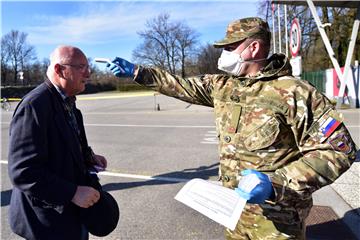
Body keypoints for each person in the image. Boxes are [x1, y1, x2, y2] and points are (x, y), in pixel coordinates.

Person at [107, 17, 358, 239]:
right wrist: (139, 72)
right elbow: (180, 85)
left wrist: (276, 183)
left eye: (229, 47)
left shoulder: (294, 92)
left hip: (278, 222)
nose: (223, 53)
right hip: (234, 213)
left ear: (254, 47)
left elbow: (337, 151)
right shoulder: (224, 86)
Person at [8, 45, 108, 240]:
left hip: (72, 214)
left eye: (88, 67)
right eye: (81, 67)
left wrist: (88, 156)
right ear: (59, 70)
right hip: (47, 223)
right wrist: (72, 193)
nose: (88, 73)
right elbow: (23, 171)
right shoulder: (34, 106)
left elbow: (66, 145)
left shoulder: (69, 103)